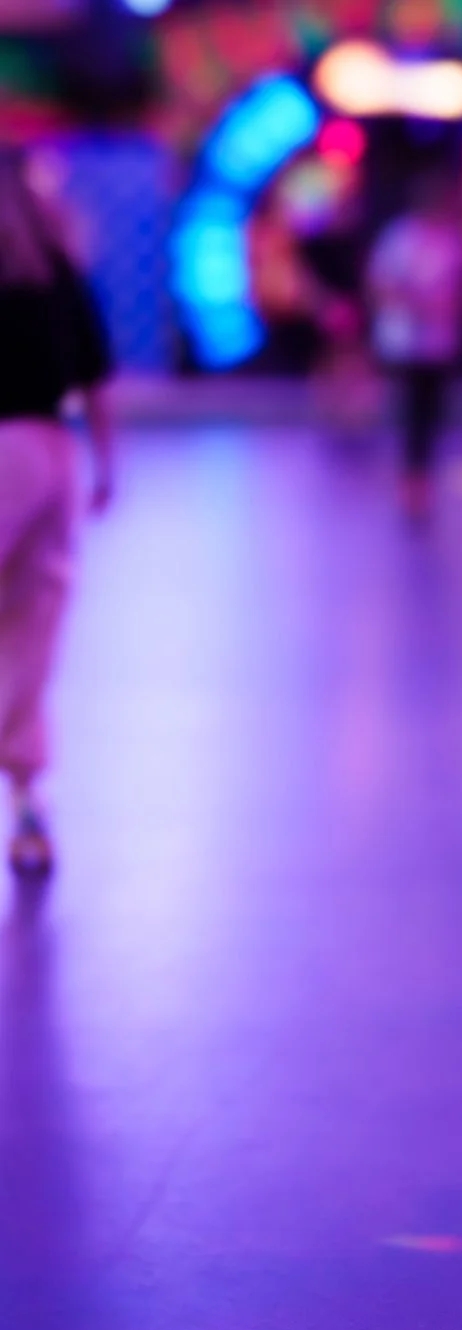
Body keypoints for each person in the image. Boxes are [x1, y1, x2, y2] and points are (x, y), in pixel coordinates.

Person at [0, 144, 114, 879]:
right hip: (50, 454)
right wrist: (108, 464)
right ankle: (30, 809)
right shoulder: (55, 272)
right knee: (30, 629)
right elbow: (96, 378)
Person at [366, 168, 462, 522]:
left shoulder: (451, 240)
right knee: (411, 414)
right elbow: (381, 283)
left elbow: (461, 288)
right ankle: (410, 481)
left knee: (433, 414)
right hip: (405, 341)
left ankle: (423, 477)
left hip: (441, 342)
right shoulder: (399, 238)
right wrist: (416, 303)